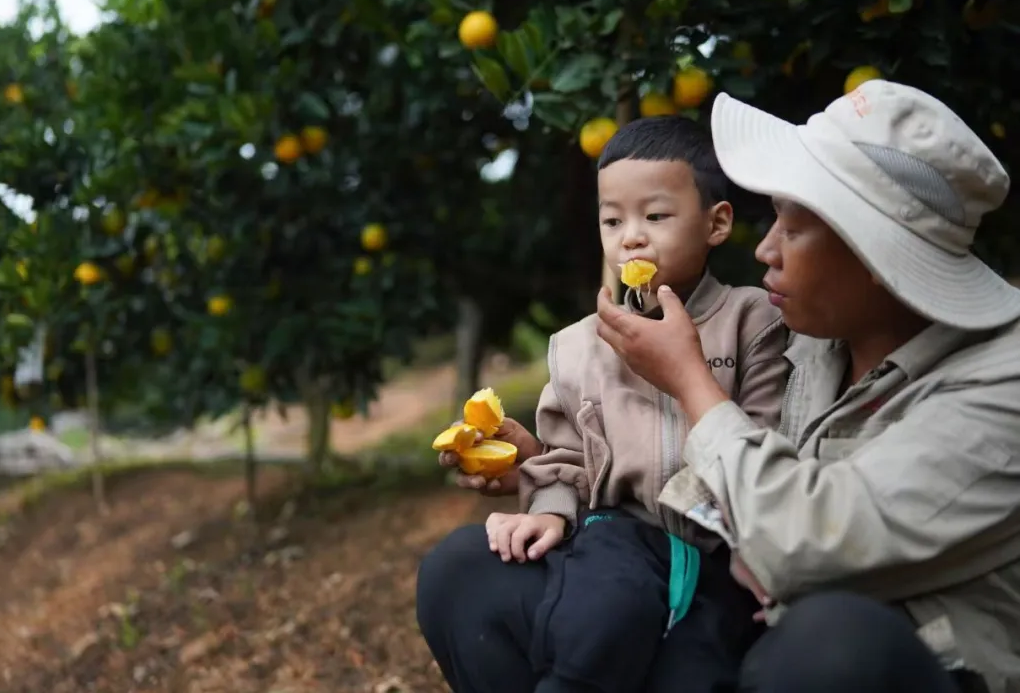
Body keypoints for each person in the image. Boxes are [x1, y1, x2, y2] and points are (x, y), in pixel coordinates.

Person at [418, 79, 1020, 693]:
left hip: (867, 656)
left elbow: (807, 545)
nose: (766, 249)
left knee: (829, 646)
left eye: (793, 227)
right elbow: (626, 443)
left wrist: (690, 381)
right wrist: (548, 467)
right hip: (721, 608)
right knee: (463, 571)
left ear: (875, 254)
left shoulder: (1001, 387)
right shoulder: (814, 338)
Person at [426, 115, 791, 693]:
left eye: (656, 216)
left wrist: (688, 372)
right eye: (613, 220)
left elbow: (767, 441)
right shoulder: (579, 348)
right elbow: (566, 457)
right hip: (618, 545)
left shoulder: (754, 323)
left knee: (694, 665)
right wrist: (549, 509)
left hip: (720, 558)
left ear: (717, 223)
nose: (632, 238)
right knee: (594, 595)